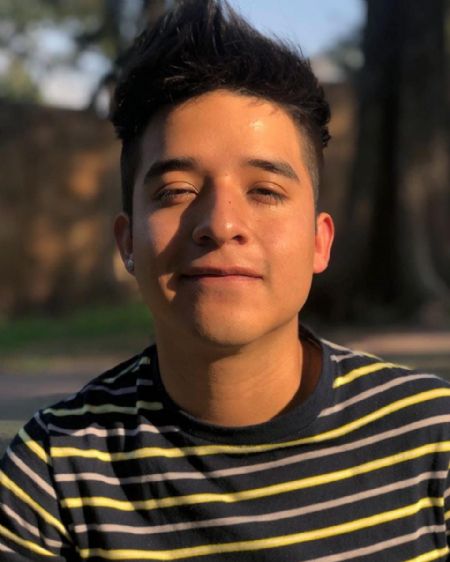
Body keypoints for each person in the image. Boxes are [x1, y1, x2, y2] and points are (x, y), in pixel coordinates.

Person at [1, 1, 449, 560]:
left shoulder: (432, 440)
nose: (220, 224)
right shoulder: (54, 473)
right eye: (175, 191)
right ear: (128, 241)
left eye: (265, 191)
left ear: (319, 241)